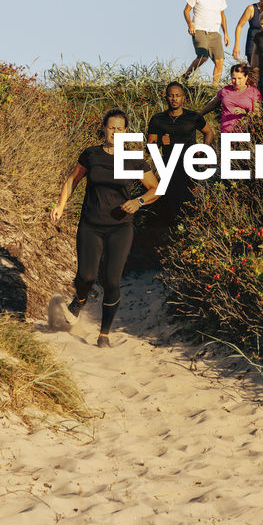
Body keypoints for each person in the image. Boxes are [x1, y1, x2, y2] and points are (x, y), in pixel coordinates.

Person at [50, 109, 159, 347]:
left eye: (120, 128)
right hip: (91, 224)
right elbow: (72, 180)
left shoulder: (133, 159)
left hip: (120, 228)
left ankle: (104, 334)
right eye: (111, 127)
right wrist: (60, 205)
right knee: (86, 276)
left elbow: (156, 188)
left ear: (126, 132)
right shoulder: (91, 155)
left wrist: (138, 201)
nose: (115, 132)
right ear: (104, 128)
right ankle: (79, 299)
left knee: (111, 280)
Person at [146, 82, 214, 228]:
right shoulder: (158, 119)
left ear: (183, 98)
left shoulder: (193, 116)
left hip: (190, 165)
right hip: (168, 167)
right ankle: (172, 233)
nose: (174, 99)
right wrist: (159, 141)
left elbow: (209, 132)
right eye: (171, 95)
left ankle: (190, 231)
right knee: (170, 203)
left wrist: (203, 149)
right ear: (166, 97)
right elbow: (150, 145)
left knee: (191, 199)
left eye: (177, 95)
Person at [182, 0, 229, 88]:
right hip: (200, 30)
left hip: (215, 32)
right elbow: (187, 10)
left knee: (220, 60)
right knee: (203, 57)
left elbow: (222, 16)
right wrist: (190, 25)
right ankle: (185, 76)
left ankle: (214, 88)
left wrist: (226, 34)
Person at [201, 62, 262, 134]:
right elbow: (213, 104)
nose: (236, 82)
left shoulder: (254, 92)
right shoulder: (225, 90)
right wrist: (199, 114)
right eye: (234, 78)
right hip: (226, 132)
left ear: (246, 77)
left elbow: (258, 114)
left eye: (240, 78)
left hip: (245, 132)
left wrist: (245, 112)